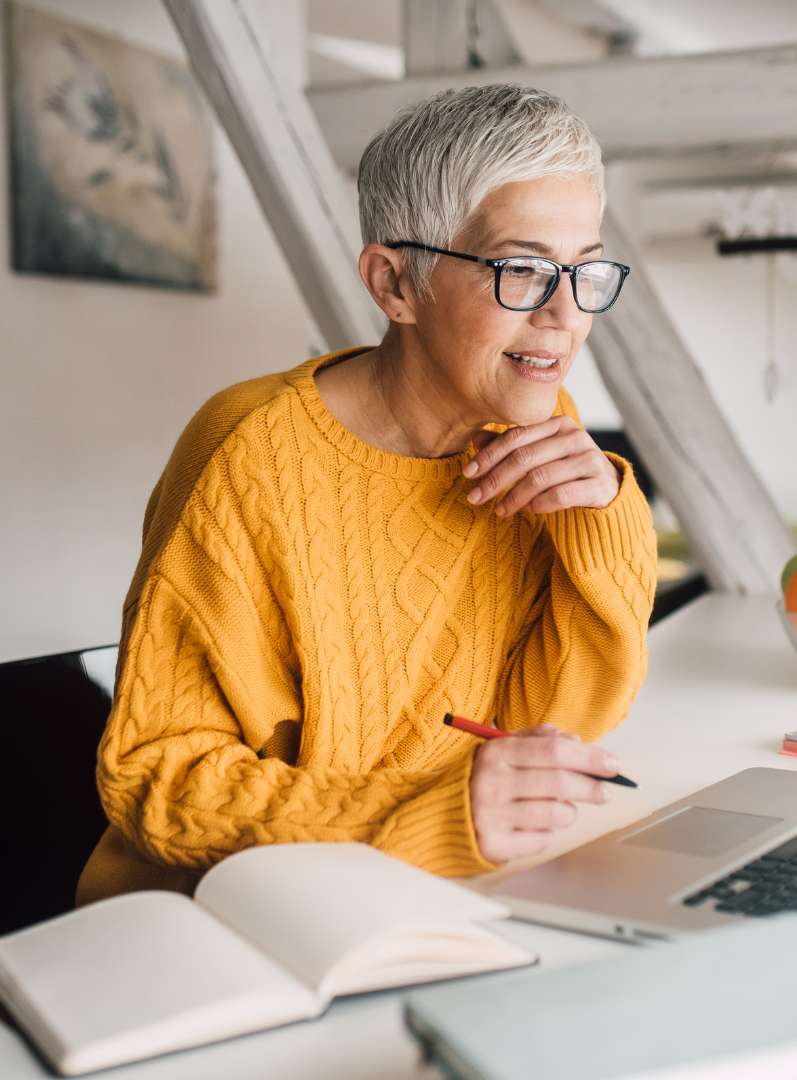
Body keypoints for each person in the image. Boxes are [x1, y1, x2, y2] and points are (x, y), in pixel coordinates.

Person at [77, 84, 657, 904]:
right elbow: (158, 779)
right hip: (216, 913)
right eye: (522, 269)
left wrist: (604, 520)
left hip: (417, 891)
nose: (566, 314)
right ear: (395, 286)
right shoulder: (249, 453)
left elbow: (553, 726)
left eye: (585, 269)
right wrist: (419, 813)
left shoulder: (528, 427)